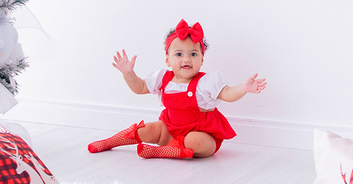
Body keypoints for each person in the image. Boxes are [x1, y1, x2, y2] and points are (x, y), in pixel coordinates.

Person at [87, 19, 267, 159]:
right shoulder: (163, 78)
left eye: (193, 54)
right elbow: (140, 87)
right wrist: (128, 73)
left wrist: (243, 88)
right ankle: (110, 142)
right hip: (169, 130)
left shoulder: (206, 82)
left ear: (201, 60)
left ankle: (161, 152)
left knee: (195, 141)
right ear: (168, 60)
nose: (186, 59)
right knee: (146, 129)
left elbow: (227, 94)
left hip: (201, 134)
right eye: (179, 54)